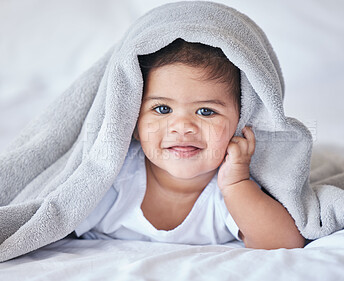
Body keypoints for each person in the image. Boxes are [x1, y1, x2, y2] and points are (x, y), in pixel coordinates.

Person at [75, 38, 304, 250]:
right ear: (133, 121)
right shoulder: (112, 176)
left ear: (242, 121)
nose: (183, 126)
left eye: (206, 111)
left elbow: (285, 242)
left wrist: (237, 185)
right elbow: (55, 214)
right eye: (162, 109)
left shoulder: (232, 184)